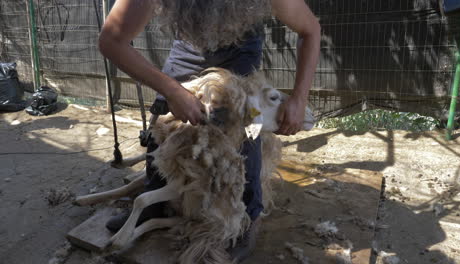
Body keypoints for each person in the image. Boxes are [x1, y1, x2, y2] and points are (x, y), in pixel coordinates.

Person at [99, 0, 320, 261]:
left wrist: (299, 99)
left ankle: (248, 215)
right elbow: (111, 41)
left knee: (246, 127)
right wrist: (171, 91)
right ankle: (155, 200)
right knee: (165, 122)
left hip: (242, 51)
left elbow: (311, 30)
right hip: (188, 47)